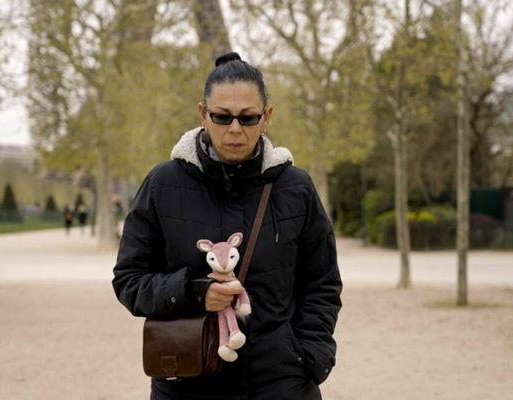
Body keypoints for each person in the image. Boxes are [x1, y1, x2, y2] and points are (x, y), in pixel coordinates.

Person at [112, 52, 342, 400]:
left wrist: (310, 356)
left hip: (282, 383)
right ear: (203, 114)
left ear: (267, 117)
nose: (235, 129)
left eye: (248, 118)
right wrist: (194, 292)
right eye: (222, 117)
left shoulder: (296, 187)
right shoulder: (162, 184)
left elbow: (322, 282)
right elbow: (129, 281)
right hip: (187, 381)